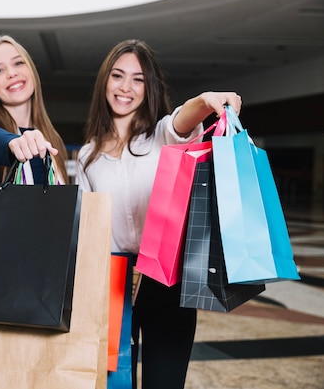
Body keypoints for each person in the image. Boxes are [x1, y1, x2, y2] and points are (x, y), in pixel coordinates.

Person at [75, 39, 241, 389]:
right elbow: (88, 230)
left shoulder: (163, 134)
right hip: (112, 284)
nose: (126, 87)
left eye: (138, 79)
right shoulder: (87, 155)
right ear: (105, 81)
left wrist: (205, 101)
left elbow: (183, 120)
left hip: (166, 280)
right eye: (118, 76)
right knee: (114, 383)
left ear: (149, 87)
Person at [0, 34, 68, 185]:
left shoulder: (53, 140)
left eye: (18, 63)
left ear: (31, 70)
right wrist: (13, 143)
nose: (11, 73)